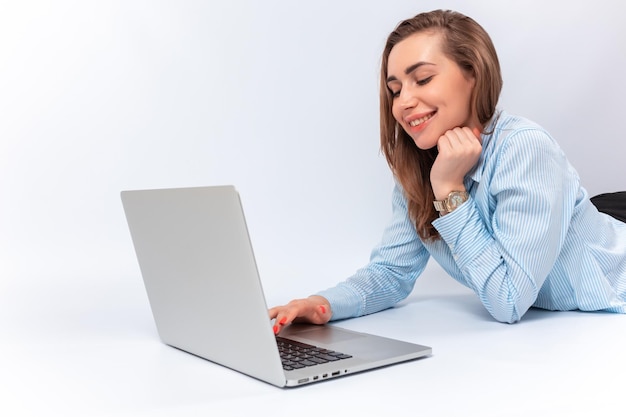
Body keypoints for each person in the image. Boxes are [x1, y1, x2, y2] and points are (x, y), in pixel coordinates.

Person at [268, 9, 626, 333]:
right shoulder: (420, 165)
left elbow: (509, 301)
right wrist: (323, 305)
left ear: (473, 73)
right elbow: (391, 272)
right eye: (394, 89)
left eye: (422, 79)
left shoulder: (524, 147)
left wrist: (449, 189)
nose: (403, 101)